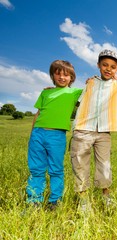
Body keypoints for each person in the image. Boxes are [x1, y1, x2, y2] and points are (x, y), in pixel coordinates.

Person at [71, 49, 117, 212]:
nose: (108, 69)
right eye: (104, 65)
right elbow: (73, 94)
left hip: (104, 131)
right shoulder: (90, 82)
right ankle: (83, 200)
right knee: (80, 164)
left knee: (104, 166)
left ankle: (106, 195)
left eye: (113, 66)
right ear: (98, 65)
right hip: (83, 128)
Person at [26, 60, 82, 210]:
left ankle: (55, 201)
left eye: (66, 75)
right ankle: (34, 201)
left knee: (56, 169)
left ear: (72, 77)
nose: (62, 77)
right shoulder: (45, 92)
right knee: (36, 169)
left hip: (57, 135)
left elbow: (91, 94)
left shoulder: (75, 93)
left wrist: (91, 81)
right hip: (38, 133)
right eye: (58, 74)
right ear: (52, 75)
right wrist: (32, 135)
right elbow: (38, 114)